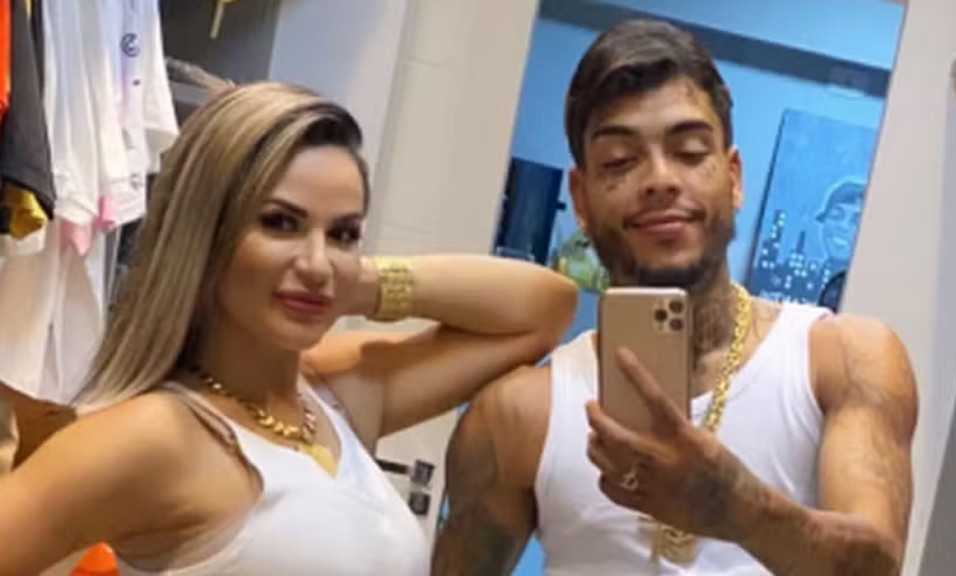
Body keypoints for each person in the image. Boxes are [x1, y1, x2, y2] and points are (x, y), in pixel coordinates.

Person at [0, 81, 578, 576]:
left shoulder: (337, 395)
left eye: (343, 233)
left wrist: (353, 279)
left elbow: (542, 311)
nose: (317, 262)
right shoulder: (155, 435)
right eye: (280, 223)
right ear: (206, 235)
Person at [433, 19, 918, 576]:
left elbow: (880, 563)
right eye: (620, 161)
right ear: (581, 200)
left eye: (688, 151)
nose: (660, 179)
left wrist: (738, 509)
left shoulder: (842, 361)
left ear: (733, 177)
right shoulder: (520, 414)